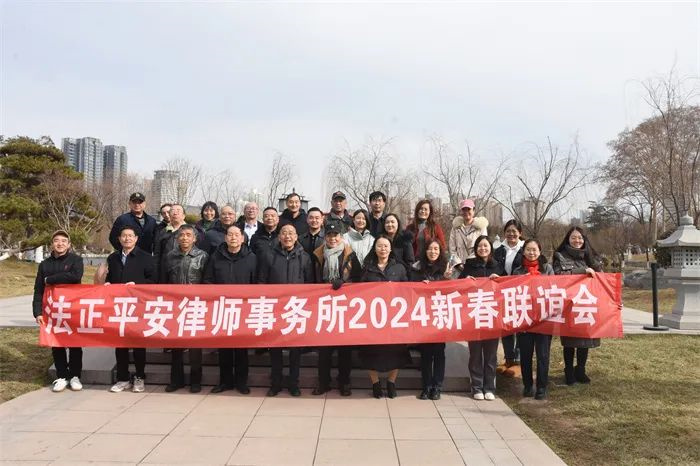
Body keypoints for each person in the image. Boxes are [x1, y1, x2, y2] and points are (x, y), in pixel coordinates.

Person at [257, 224, 315, 396]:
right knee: (275, 348)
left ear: (296, 237)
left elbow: (310, 284)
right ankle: (275, 383)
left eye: (291, 233)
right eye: (284, 233)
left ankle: (293, 384)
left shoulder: (304, 257)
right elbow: (261, 281)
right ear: (279, 236)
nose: (287, 236)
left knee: (295, 350)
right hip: (275, 309)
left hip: (296, 309)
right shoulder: (269, 255)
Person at [202, 224, 256, 394]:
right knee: (224, 347)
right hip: (222, 308)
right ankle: (225, 382)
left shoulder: (251, 258)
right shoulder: (215, 257)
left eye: (236, 235)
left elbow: (257, 284)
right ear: (225, 238)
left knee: (241, 348)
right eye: (230, 234)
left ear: (242, 238)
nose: (233, 237)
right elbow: (207, 280)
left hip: (243, 309)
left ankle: (241, 382)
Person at [310, 220, 360, 396]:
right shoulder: (318, 254)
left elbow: (358, 279)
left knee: (344, 349)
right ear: (325, 237)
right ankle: (323, 382)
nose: (332, 238)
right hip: (323, 306)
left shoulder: (350, 255)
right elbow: (312, 279)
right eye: (329, 235)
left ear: (341, 236)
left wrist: (345, 283)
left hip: (345, 307)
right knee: (324, 349)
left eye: (336, 235)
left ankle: (344, 382)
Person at [358, 236, 412, 398]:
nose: (383, 249)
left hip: (394, 317)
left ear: (391, 249)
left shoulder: (399, 268)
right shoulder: (367, 268)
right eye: (379, 246)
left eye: (386, 246)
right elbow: (359, 291)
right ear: (374, 249)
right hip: (373, 317)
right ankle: (375, 383)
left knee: (397, 351)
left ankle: (391, 382)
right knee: (371, 352)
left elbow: (407, 290)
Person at [32, 230, 84, 392]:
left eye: (63, 241)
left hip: (72, 308)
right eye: (56, 240)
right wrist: (37, 312)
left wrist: (50, 279)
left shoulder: (76, 260)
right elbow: (38, 289)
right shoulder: (45, 264)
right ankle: (61, 376)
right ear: (51, 244)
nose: (60, 243)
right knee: (56, 343)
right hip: (53, 310)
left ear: (69, 244)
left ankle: (75, 376)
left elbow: (75, 276)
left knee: (75, 343)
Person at [105, 226, 156, 393]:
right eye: (124, 236)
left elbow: (154, 281)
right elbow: (109, 277)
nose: (127, 239)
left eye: (130, 236)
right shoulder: (113, 258)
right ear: (119, 239)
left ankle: (139, 377)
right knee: (120, 344)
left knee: (138, 344)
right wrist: (107, 283)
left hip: (138, 306)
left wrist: (137, 285)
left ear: (136, 239)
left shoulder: (146, 258)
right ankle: (123, 378)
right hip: (118, 307)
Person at [553, 226, 603, 386]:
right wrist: (582, 271)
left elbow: (602, 278)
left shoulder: (591, 256)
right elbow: (558, 275)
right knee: (569, 340)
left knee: (585, 338)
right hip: (569, 304)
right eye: (573, 237)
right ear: (568, 239)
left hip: (587, 302)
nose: (577, 240)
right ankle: (568, 370)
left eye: (580, 237)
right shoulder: (560, 256)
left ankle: (580, 369)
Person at [162, 225, 209, 393]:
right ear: (177, 238)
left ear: (194, 239)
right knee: (176, 345)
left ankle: (196, 381)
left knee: (195, 347)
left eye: (188, 235)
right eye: (181, 235)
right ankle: (176, 380)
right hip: (175, 305)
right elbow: (164, 281)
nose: (184, 238)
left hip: (195, 306)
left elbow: (207, 282)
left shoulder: (202, 256)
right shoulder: (170, 256)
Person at [459, 235, 503, 401]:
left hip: (492, 315)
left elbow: (507, 286)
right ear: (476, 249)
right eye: (480, 246)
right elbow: (459, 286)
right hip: (474, 316)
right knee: (475, 353)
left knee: (491, 355)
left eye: (486, 246)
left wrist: (499, 280)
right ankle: (477, 386)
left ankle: (489, 387)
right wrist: (465, 280)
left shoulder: (498, 266)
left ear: (490, 248)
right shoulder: (469, 265)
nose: (483, 249)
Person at [410, 239, 452, 400]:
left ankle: (437, 386)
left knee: (439, 352)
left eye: (436, 249)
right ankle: (426, 386)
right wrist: (420, 284)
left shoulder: (446, 268)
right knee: (426, 353)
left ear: (440, 252)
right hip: (424, 315)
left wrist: (446, 279)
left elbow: (454, 290)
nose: (433, 252)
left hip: (440, 314)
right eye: (430, 249)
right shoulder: (417, 268)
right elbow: (410, 288)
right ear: (425, 251)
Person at [512, 239, 554, 400]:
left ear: (540, 251)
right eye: (528, 249)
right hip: (525, 318)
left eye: (534, 249)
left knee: (543, 355)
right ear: (523, 251)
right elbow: (512, 292)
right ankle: (528, 385)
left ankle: (542, 387)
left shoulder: (547, 269)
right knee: (526, 354)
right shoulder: (517, 271)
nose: (531, 252)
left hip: (544, 318)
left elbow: (555, 289)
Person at [493, 220, 525, 377]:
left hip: (521, 293)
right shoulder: (498, 250)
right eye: (508, 231)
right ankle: (508, 358)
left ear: (520, 233)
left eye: (514, 231)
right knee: (505, 326)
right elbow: (494, 267)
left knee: (519, 325)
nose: (511, 234)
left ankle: (518, 360)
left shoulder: (525, 249)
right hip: (503, 293)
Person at [448, 199, 489, 268]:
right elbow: (452, 248)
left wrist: (469, 263)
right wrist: (458, 264)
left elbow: (482, 247)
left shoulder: (481, 227)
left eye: (469, 209)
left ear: (473, 210)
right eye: (464, 210)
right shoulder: (456, 227)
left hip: (476, 265)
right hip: (459, 267)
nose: (466, 212)